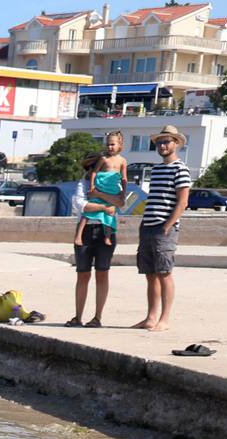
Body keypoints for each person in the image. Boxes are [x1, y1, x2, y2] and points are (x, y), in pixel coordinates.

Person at [135, 126, 191, 332]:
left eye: (167, 142)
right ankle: (150, 317)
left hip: (164, 227)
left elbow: (182, 201)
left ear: (176, 143)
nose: (162, 145)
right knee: (150, 273)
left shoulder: (180, 169)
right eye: (159, 142)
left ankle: (164, 319)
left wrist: (168, 225)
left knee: (164, 272)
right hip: (148, 225)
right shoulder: (157, 169)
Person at [67, 135, 126, 329]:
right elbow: (81, 206)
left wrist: (100, 196)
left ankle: (97, 317)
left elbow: (121, 203)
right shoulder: (82, 185)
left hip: (105, 230)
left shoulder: (111, 184)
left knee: (102, 273)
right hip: (85, 233)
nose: (94, 170)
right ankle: (78, 316)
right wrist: (103, 206)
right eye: (92, 167)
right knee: (82, 274)